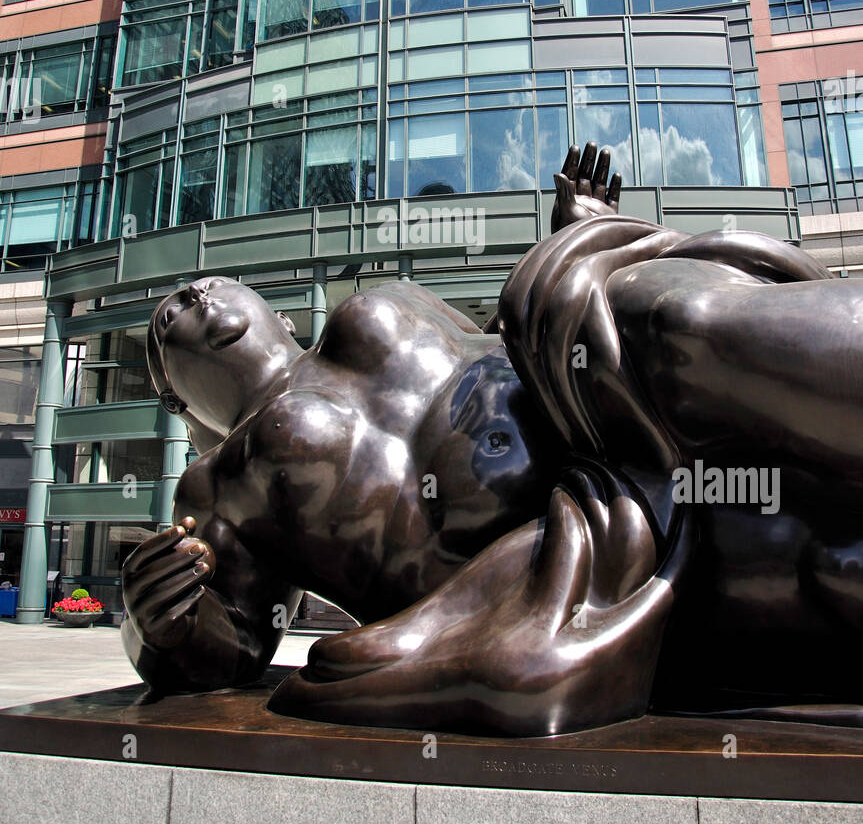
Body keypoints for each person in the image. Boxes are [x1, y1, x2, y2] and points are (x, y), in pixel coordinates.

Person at [122, 145, 863, 735]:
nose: (195, 298)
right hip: (545, 553)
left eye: (210, 285)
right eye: (170, 319)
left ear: (275, 312)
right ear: (172, 396)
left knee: (677, 323)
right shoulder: (215, 487)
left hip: (584, 396)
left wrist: (572, 233)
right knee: (815, 563)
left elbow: (492, 347)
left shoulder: (372, 306)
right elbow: (229, 648)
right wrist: (159, 625)